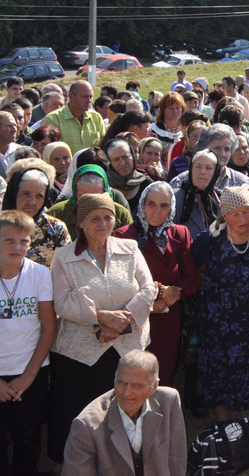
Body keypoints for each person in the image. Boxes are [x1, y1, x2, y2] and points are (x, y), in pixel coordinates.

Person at [48, 192, 157, 462]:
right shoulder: (64, 256)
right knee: (82, 417)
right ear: (80, 224)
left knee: (124, 412)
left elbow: (148, 290)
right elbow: (61, 302)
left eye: (108, 217)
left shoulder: (129, 249)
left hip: (126, 350)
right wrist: (101, 317)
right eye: (94, 218)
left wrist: (118, 324)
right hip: (80, 356)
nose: (103, 223)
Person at [191, 185, 249, 424]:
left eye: (247, 211)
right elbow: (195, 266)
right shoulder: (209, 239)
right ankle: (223, 422)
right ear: (224, 216)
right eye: (235, 214)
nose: (243, 219)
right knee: (219, 368)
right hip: (220, 318)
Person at [113, 181, 199, 386]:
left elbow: (193, 279)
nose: (157, 211)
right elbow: (123, 283)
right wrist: (159, 294)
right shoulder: (124, 236)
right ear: (142, 204)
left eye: (164, 205)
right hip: (137, 321)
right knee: (134, 376)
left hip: (169, 322)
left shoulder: (179, 234)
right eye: (151, 204)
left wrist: (172, 296)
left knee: (163, 375)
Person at [60, 350, 186, 476]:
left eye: (136, 385)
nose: (126, 393)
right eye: (121, 383)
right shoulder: (86, 426)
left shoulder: (169, 401)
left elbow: (176, 460)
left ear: (154, 387)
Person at [0, 210, 56, 476]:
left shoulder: (40, 274)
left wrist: (29, 375)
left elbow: (48, 326)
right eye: (8, 240)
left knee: (28, 442)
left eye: (23, 241)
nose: (17, 247)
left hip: (30, 373)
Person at [3, 162, 71, 266]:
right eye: (26, 194)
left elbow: (67, 268)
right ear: (13, 193)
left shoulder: (55, 229)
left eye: (39, 196)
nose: (32, 202)